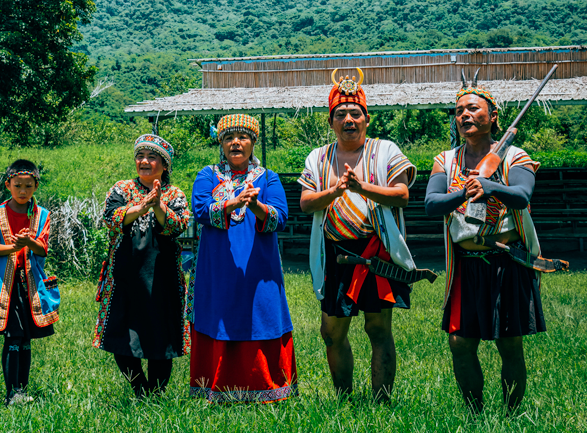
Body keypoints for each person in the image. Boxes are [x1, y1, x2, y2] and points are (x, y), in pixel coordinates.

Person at [424, 74, 546, 413]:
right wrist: (465, 190)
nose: (464, 115)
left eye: (473, 109)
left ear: (493, 117)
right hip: (466, 264)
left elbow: (522, 196)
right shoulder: (445, 161)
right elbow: (432, 203)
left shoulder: (515, 156)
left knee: (509, 344)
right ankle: (474, 412)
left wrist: (491, 186)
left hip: (507, 262)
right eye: (459, 110)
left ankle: (511, 414)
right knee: (460, 343)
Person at [299, 69, 417, 402]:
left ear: (367, 118)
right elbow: (306, 203)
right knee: (331, 332)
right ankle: (344, 397)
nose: (348, 119)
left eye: (355, 113)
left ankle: (381, 400)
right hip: (336, 254)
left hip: (375, 252)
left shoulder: (385, 150)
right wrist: (334, 192)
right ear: (331, 121)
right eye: (341, 114)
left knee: (378, 329)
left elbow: (402, 194)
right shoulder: (318, 157)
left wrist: (360, 187)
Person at [189, 114, 297, 403]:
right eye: (229, 138)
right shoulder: (207, 175)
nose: (236, 143)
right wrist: (232, 203)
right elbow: (200, 209)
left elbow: (280, 217)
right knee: (219, 313)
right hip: (218, 264)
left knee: (261, 312)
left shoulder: (268, 178)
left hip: (258, 265)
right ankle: (215, 388)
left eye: (243, 137)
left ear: (253, 142)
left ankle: (267, 387)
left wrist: (256, 206)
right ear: (221, 144)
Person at [92, 134, 190, 398]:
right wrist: (140, 207)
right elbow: (111, 219)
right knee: (121, 337)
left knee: (161, 336)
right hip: (124, 276)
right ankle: (139, 389)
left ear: (165, 164)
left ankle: (156, 394)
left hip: (162, 277)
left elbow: (177, 226)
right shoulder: (122, 189)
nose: (144, 162)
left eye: (152, 157)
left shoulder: (175, 194)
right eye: (140, 156)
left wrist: (158, 206)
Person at [0, 159, 58, 406]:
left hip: (31, 286)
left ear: (36, 185)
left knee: (26, 339)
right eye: (17, 186)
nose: (22, 191)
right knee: (13, 337)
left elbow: (43, 249)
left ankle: (22, 390)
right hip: (6, 285)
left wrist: (28, 242)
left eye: (28, 186)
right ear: (8, 185)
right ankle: (11, 392)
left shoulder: (42, 215)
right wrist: (15, 246)